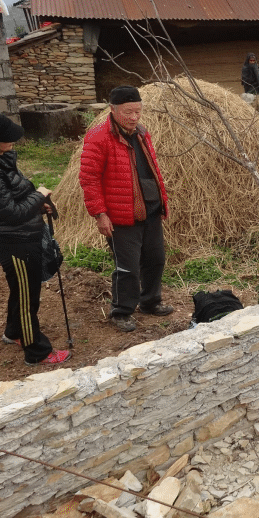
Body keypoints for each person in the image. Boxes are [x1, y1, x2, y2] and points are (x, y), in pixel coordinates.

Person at [0, 106, 71, 365]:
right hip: (14, 242)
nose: (14, 140)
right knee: (27, 297)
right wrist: (40, 195)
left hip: (23, 236)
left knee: (22, 290)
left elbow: (15, 194)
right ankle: (37, 351)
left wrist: (37, 203)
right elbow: (12, 213)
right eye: (7, 137)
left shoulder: (0, 158)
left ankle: (13, 333)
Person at [79, 86, 173, 333]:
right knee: (127, 266)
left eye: (138, 111)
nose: (134, 117)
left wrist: (161, 201)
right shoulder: (99, 137)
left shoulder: (141, 133)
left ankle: (150, 301)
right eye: (128, 112)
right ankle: (121, 311)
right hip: (121, 214)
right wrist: (100, 213)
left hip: (149, 209)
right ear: (112, 109)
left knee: (155, 259)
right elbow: (89, 179)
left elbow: (152, 169)